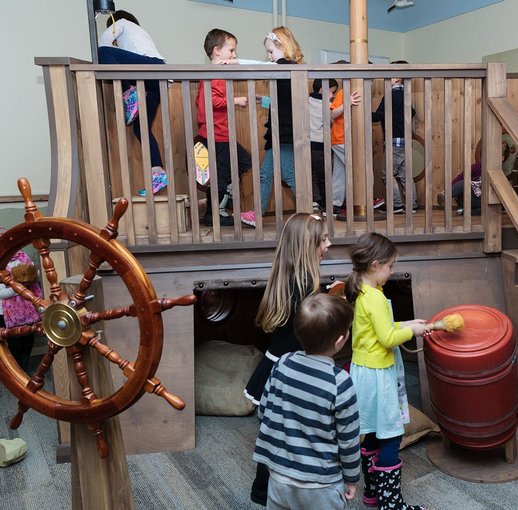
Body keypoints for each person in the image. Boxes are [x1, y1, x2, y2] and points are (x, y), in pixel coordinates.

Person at [244, 213, 331, 505]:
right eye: (324, 239)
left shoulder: (290, 277)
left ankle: (262, 490)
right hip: (290, 370)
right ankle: (279, 491)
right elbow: (312, 332)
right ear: (309, 246)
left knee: (273, 433)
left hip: (277, 364)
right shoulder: (305, 286)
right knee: (287, 435)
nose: (329, 245)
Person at [344, 232, 429, 510]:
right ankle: (391, 505)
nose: (392, 272)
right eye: (390, 266)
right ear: (375, 265)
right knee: (391, 434)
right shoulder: (376, 298)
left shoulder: (364, 291)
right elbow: (387, 339)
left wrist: (407, 322)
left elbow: (380, 328)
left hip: (363, 373)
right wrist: (412, 331)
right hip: (379, 377)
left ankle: (372, 494)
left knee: (371, 432)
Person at [253, 293, 360, 509]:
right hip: (321, 485)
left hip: (278, 477)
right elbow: (348, 440)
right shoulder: (340, 382)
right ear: (340, 341)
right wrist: (351, 478)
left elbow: (263, 411)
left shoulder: (283, 363)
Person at [240, 27, 305, 227]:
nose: (269, 57)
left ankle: (307, 212)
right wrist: (265, 100)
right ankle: (257, 214)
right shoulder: (285, 69)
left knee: (290, 175)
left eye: (271, 52)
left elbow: (289, 103)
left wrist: (235, 62)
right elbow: (284, 101)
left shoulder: (288, 66)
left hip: (285, 132)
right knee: (266, 173)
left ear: (283, 47)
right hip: (279, 130)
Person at [98, 10, 167, 197]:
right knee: (141, 128)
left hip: (150, 68)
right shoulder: (140, 34)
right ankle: (158, 172)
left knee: (102, 52)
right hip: (157, 80)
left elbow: (104, 41)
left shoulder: (120, 23)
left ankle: (129, 93)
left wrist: (98, 66)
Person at [194, 28, 253, 227]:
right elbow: (206, 102)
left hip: (220, 134)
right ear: (217, 50)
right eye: (232, 51)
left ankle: (219, 204)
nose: (234, 55)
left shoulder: (215, 75)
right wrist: (235, 100)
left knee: (241, 162)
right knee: (224, 173)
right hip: (216, 136)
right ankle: (214, 212)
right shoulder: (213, 75)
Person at [329, 74, 384, 218]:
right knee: (361, 166)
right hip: (342, 139)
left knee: (340, 174)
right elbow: (333, 114)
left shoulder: (360, 93)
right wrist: (348, 102)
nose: (371, 83)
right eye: (369, 80)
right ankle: (367, 199)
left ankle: (334, 206)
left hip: (345, 139)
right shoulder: (343, 92)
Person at [371, 61, 417, 214]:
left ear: (397, 77)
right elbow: (412, 113)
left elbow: (378, 116)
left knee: (387, 174)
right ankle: (412, 205)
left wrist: (363, 113)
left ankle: (397, 205)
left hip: (394, 141)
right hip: (406, 141)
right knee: (406, 176)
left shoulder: (390, 95)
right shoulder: (406, 95)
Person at [0, 231, 42, 372]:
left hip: (28, 310)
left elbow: (36, 273)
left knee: (27, 342)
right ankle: (17, 374)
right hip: (7, 314)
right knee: (14, 346)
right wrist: (21, 287)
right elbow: (2, 293)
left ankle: (24, 368)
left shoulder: (22, 256)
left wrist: (32, 278)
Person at [309, 78, 339, 213]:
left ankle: (315, 201)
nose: (333, 96)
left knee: (311, 175)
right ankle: (327, 204)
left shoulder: (305, 100)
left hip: (306, 144)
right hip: (321, 145)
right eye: (332, 92)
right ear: (322, 89)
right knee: (324, 176)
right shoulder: (327, 104)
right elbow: (332, 121)